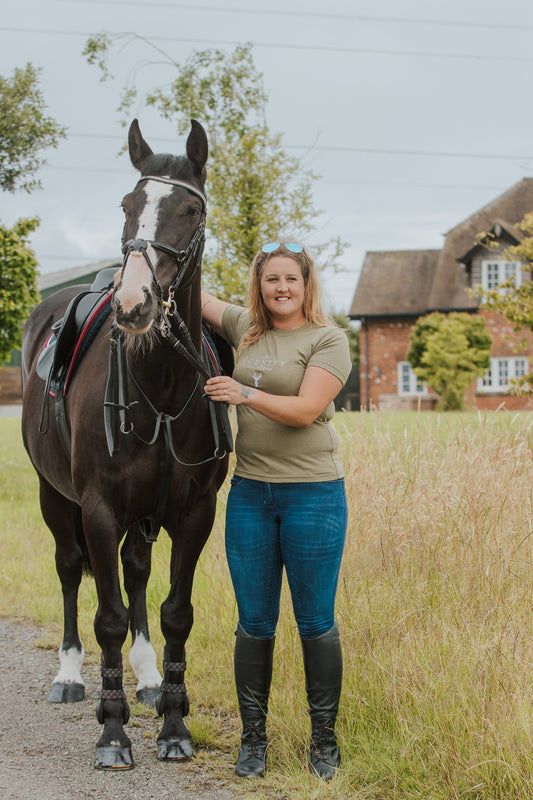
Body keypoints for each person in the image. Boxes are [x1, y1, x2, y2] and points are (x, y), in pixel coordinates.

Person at [201, 241, 352, 781]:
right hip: (250, 497)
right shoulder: (246, 328)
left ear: (307, 284)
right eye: (271, 281)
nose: (281, 288)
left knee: (314, 621)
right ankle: (253, 741)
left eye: (291, 279)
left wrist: (243, 393)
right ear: (259, 286)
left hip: (313, 495)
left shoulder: (328, 339)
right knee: (254, 623)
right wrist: (141, 253)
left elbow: (307, 409)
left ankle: (324, 744)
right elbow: (198, 296)